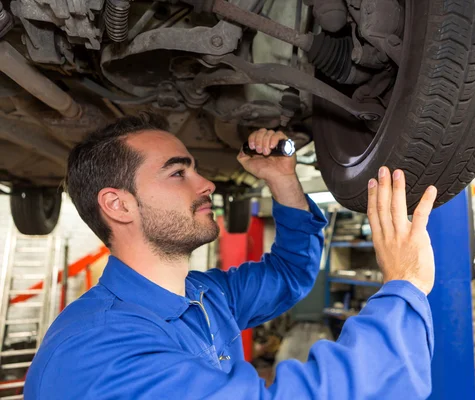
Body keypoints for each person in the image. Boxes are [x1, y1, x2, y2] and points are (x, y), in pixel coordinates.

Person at [24, 112, 437, 399]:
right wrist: (404, 287)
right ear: (118, 205)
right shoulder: (94, 350)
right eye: (178, 172)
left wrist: (283, 179)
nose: (207, 184)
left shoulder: (204, 296)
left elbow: (290, 273)